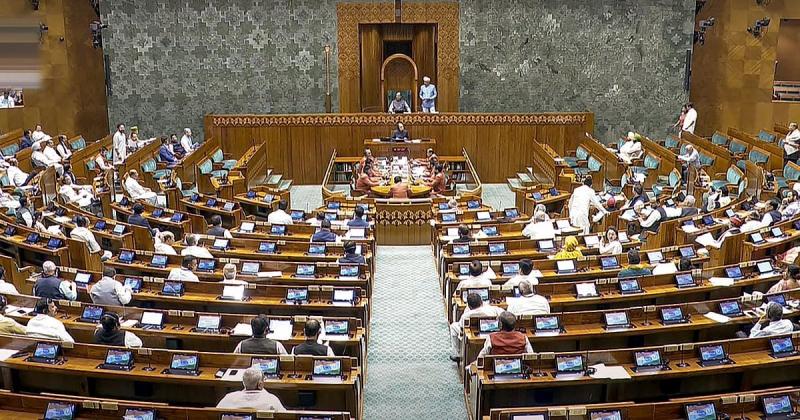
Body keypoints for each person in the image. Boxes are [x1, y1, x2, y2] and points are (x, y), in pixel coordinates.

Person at [449, 292, 503, 362]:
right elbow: (504, 314)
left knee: (453, 326)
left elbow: (461, 326)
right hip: (493, 332)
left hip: (473, 334)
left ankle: (457, 354)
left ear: (469, 306)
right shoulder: (492, 309)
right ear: (481, 302)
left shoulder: (466, 315)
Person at [216, 367, 286, 411]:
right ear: (260, 384)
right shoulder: (272, 400)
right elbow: (284, 415)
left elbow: (216, 413)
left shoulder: (229, 397)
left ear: (243, 382)